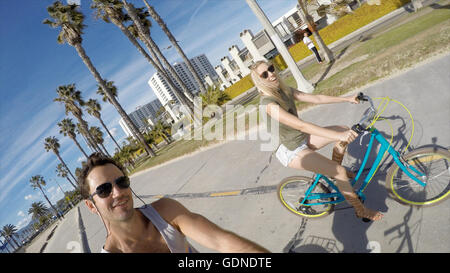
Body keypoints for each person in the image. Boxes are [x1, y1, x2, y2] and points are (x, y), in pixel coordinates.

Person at [250, 61, 383, 221]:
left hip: (299, 138)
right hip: (290, 150)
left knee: (342, 128)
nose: (271, 74)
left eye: (271, 69)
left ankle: (335, 174)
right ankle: (360, 210)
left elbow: (316, 98)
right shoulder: (269, 104)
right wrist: (338, 137)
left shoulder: (283, 90)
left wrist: (347, 98)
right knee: (340, 169)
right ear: (260, 80)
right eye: (264, 74)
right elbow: (301, 125)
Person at [79, 152, 269, 253]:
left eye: (122, 182)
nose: (118, 192)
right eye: (104, 190)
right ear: (91, 206)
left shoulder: (165, 212)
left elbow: (221, 242)